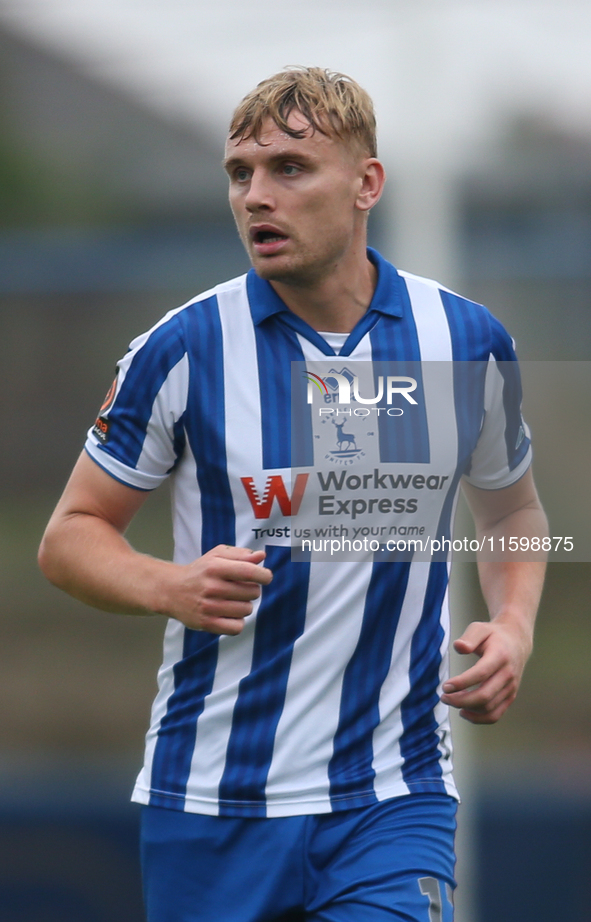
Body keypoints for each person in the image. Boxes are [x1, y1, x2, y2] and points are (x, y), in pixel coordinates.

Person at [38, 67, 547, 922]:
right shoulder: (184, 348)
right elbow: (69, 537)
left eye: (289, 168)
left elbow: (512, 511)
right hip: (212, 805)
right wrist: (170, 584)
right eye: (241, 173)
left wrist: (517, 626)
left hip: (393, 796)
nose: (256, 196)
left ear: (365, 184)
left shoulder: (461, 341)